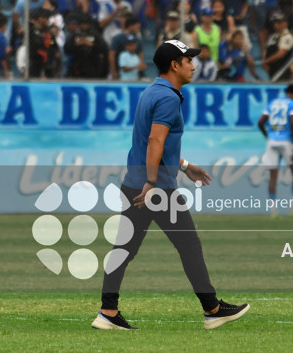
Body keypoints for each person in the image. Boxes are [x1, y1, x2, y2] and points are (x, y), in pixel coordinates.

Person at [94, 39, 250, 331]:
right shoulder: (167, 97)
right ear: (174, 65)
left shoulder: (153, 91)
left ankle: (108, 311)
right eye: (188, 60)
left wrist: (185, 166)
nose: (193, 65)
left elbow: (154, 142)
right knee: (189, 246)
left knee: (124, 249)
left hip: (136, 184)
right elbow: (155, 140)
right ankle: (212, 309)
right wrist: (153, 183)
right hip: (155, 189)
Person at [257, 84, 293, 218]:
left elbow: (260, 122)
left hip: (272, 141)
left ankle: (273, 212)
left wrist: (268, 136)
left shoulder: (273, 103)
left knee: (273, 176)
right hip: (286, 140)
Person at [262, 11, 293, 81]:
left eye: (279, 23)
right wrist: (264, 60)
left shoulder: (288, 37)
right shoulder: (273, 36)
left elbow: (281, 54)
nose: (276, 25)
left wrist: (266, 61)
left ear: (285, 24)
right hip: (272, 70)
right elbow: (266, 49)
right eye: (275, 23)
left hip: (283, 71)